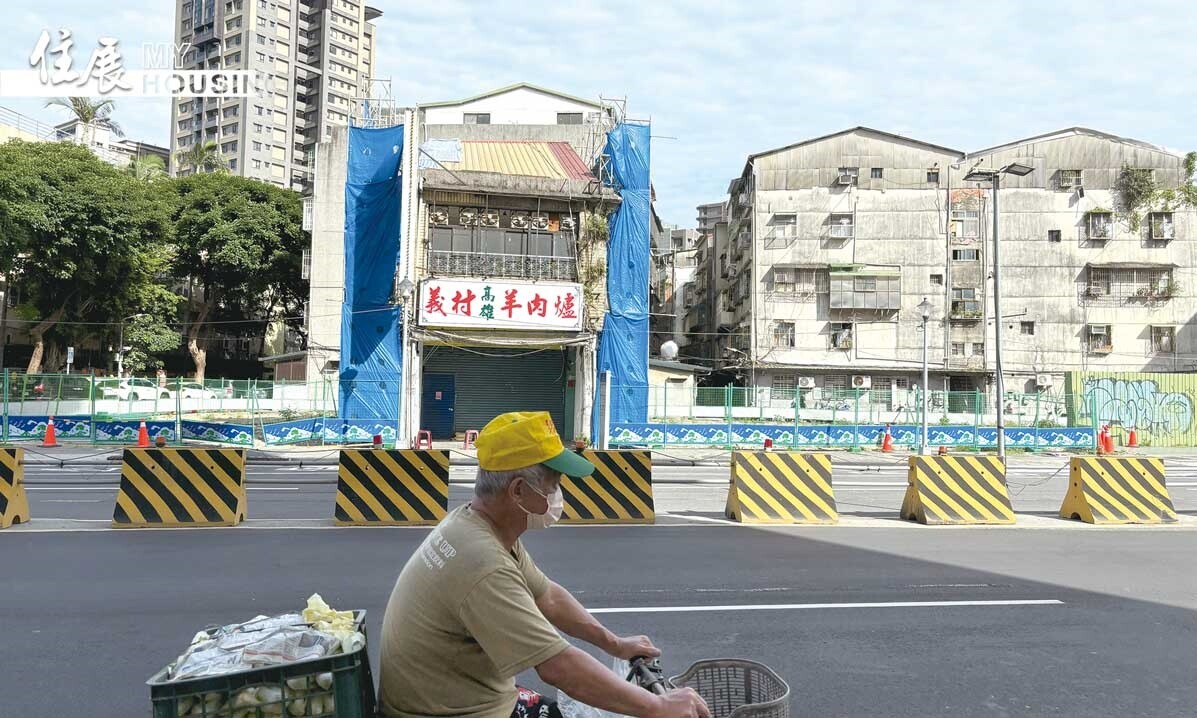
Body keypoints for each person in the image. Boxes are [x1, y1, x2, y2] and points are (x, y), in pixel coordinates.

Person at [379, 411, 710, 718]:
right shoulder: (483, 563)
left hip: (460, 698)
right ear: (519, 491)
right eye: (553, 484)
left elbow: (547, 595)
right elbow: (557, 666)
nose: (557, 494)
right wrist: (657, 706)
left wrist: (614, 644)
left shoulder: (475, 525)